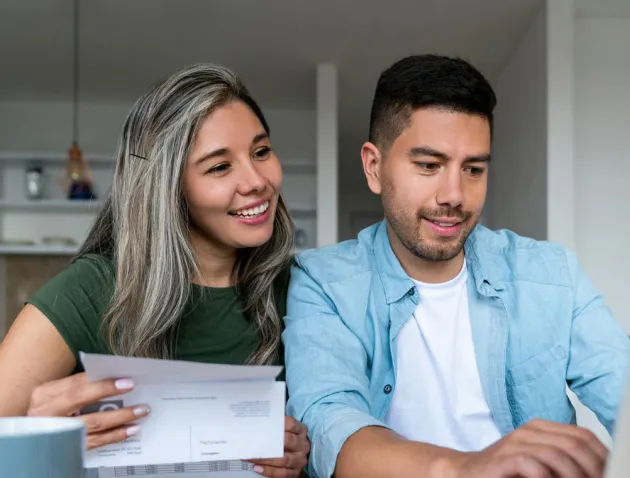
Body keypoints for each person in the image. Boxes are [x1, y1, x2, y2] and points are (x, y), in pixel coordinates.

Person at [282, 54, 630, 478]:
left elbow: (622, 388)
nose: (455, 195)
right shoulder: (323, 281)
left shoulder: (552, 274)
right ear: (374, 167)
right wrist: (469, 467)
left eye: (473, 168)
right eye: (429, 165)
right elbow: (330, 425)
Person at [0, 63, 309, 478]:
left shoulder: (304, 289)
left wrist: (306, 452)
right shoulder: (90, 291)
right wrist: (36, 441)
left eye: (261, 151)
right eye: (219, 166)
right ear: (166, 188)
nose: (257, 181)